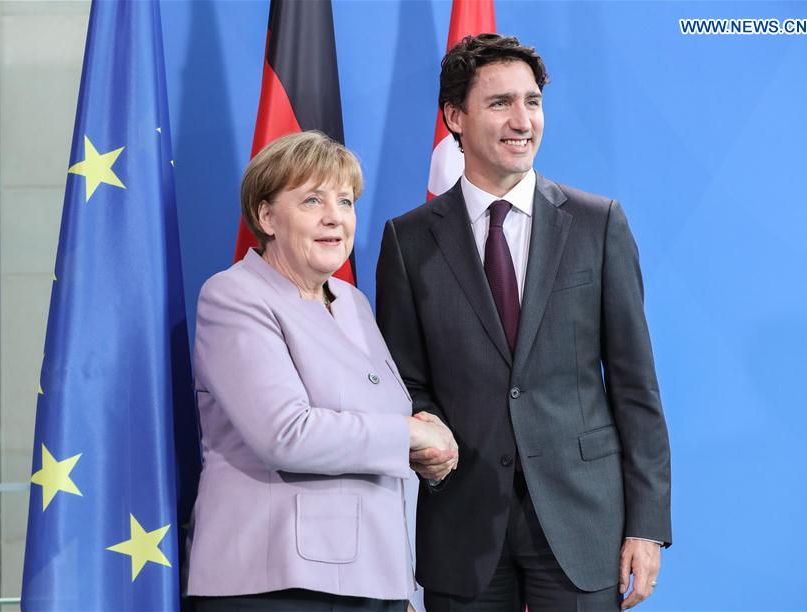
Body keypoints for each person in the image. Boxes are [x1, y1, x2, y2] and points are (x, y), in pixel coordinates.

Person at [376, 34, 671, 612]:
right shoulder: (407, 240)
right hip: (461, 522)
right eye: (500, 103)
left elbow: (636, 388)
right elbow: (402, 381)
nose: (522, 120)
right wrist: (428, 440)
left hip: (582, 522)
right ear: (454, 117)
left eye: (532, 102)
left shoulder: (597, 223)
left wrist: (646, 525)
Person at [187, 131, 458, 611]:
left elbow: (376, 440)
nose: (335, 216)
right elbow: (286, 434)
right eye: (313, 200)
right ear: (266, 216)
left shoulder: (352, 302)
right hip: (276, 587)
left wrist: (406, 588)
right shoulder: (234, 296)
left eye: (346, 200)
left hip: (375, 581)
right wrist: (412, 436)